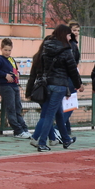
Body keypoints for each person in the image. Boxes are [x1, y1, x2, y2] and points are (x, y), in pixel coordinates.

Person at [29, 24, 84, 152]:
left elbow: (40, 66)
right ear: (63, 34)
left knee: (58, 112)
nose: (70, 36)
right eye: (69, 34)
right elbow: (72, 70)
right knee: (50, 114)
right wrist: (78, 84)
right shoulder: (66, 50)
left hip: (48, 83)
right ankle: (42, 142)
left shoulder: (46, 48)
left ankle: (65, 138)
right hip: (59, 85)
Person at [0, 37, 30, 139]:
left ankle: (23, 129)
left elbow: (15, 69)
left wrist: (18, 74)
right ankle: (18, 130)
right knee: (11, 108)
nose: (7, 52)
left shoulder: (11, 59)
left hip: (14, 85)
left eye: (9, 50)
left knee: (18, 108)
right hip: (6, 86)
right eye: (5, 50)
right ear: (1, 49)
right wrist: (4, 75)